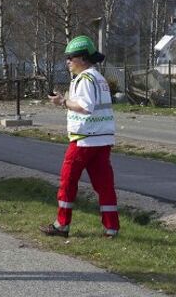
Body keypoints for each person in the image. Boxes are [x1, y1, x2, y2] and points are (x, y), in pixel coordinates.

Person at [39, 35, 120, 239]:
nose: (67, 62)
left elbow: (85, 107)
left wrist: (62, 102)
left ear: (83, 59)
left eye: (71, 58)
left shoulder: (84, 79)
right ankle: (111, 228)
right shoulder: (99, 78)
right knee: (104, 186)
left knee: (68, 181)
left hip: (84, 139)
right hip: (102, 140)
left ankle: (62, 225)